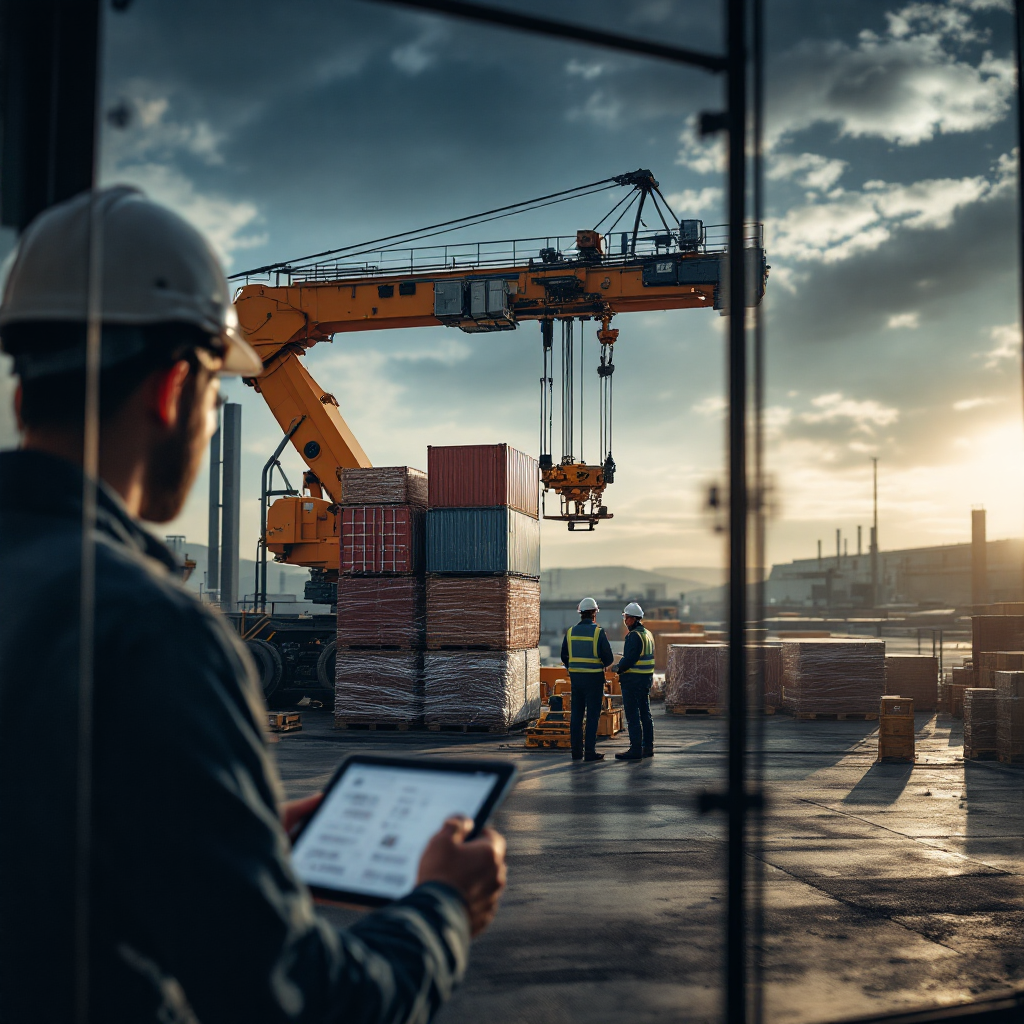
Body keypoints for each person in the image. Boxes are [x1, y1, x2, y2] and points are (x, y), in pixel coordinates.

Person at [0, 186, 506, 1024]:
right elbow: (298, 1003)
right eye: (214, 397)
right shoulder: (149, 630)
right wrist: (442, 910)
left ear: (22, 399)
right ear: (173, 392)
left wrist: (217, 831)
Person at [560, 597, 614, 762]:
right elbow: (609, 659)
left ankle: (576, 752)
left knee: (576, 716)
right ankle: (589, 752)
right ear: (594, 613)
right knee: (592, 716)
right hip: (594, 680)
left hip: (576, 680)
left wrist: (575, 669)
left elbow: (564, 656)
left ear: (581, 613)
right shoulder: (598, 632)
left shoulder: (570, 632)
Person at [613, 601, 656, 761]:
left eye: (626, 618)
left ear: (633, 619)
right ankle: (647, 747)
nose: (625, 621)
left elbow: (630, 659)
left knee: (632, 715)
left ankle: (635, 749)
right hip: (645, 680)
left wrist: (618, 667)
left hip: (632, 681)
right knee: (645, 714)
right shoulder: (647, 634)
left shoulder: (634, 636)